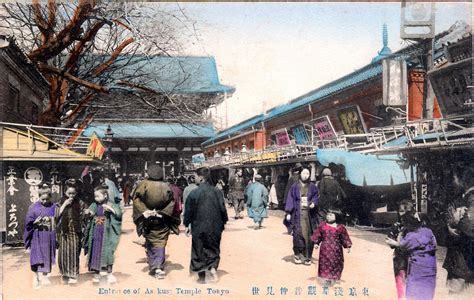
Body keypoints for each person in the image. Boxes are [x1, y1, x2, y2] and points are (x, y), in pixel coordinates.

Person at [132, 164, 181, 279]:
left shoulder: (143, 184)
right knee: (161, 241)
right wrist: (163, 212)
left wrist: (145, 211)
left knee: (149, 240)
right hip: (162, 217)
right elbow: (172, 202)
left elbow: (136, 199)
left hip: (147, 217)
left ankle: (153, 265)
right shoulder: (166, 186)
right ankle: (158, 267)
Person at [184, 167, 228, 283]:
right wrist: (223, 222)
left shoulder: (194, 193)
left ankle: (201, 275)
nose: (195, 178)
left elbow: (188, 211)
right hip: (215, 225)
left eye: (196, 176)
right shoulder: (217, 192)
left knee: (198, 248)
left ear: (201, 178)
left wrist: (187, 224)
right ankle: (213, 268)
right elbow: (223, 209)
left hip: (199, 225)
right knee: (213, 247)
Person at [386, 212, 437, 300]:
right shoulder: (428, 231)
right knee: (428, 293)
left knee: (413, 294)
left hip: (417, 269)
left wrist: (401, 233)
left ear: (408, 224)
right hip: (431, 267)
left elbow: (401, 245)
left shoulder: (411, 236)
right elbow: (435, 244)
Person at [84, 184, 122, 284]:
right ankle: (96, 273)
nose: (96, 198)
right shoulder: (94, 204)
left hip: (107, 233)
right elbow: (91, 212)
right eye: (95, 196)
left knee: (108, 252)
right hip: (96, 232)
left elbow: (118, 214)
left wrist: (111, 210)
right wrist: (88, 212)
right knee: (95, 251)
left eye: (98, 196)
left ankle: (109, 273)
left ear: (105, 195)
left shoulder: (110, 203)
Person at [24, 184, 58, 289]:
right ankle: (36, 276)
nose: (44, 201)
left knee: (46, 256)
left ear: (50, 197)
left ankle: (44, 276)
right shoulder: (33, 207)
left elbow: (58, 221)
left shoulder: (54, 207)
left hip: (48, 236)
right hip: (37, 236)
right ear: (39, 197)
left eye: (47, 199)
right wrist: (35, 222)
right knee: (36, 257)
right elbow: (28, 224)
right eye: (42, 199)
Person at [284, 167, 319, 265]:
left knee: (309, 235)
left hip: (308, 215)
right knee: (297, 234)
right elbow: (290, 199)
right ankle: (297, 254)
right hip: (297, 213)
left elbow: (316, 196)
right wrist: (288, 212)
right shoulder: (295, 186)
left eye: (308, 173)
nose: (306, 175)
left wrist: (313, 203)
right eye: (304, 173)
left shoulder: (312, 186)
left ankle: (308, 256)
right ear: (300, 174)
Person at [56, 179, 87, 284]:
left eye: (73, 193)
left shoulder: (80, 202)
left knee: (74, 252)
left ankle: (73, 275)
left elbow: (85, 212)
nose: (71, 196)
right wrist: (64, 204)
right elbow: (56, 214)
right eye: (69, 193)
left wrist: (87, 213)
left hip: (75, 230)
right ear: (65, 192)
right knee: (63, 253)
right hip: (63, 231)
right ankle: (65, 274)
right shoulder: (60, 201)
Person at [311, 209, 352, 286]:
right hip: (325, 249)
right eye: (328, 214)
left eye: (331, 215)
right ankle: (327, 279)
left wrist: (347, 246)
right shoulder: (322, 226)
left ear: (337, 216)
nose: (328, 216)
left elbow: (344, 237)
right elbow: (318, 235)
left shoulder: (340, 227)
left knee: (336, 264)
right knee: (325, 263)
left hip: (337, 250)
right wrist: (316, 243)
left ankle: (334, 278)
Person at [387, 200, 413, 300]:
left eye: (407, 212)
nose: (404, 214)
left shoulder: (415, 226)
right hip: (400, 258)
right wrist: (392, 241)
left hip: (414, 258)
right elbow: (390, 241)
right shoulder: (396, 226)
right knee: (400, 280)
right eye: (401, 211)